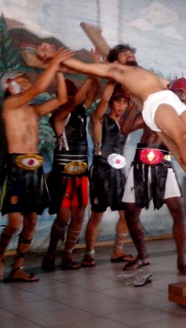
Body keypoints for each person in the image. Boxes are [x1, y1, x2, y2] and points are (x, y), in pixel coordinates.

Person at [36, 43, 186, 198]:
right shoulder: (116, 70)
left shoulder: (146, 72)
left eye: (130, 52)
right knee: (182, 138)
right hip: (156, 104)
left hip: (171, 99)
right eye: (124, 53)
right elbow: (84, 68)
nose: (129, 55)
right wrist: (54, 55)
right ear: (115, 60)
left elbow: (169, 85)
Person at [0, 47, 74, 283]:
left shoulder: (32, 110)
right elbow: (39, 88)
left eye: (26, 79)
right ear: (10, 86)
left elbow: (61, 99)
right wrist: (54, 62)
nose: (26, 82)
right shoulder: (10, 106)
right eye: (21, 80)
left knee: (32, 220)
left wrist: (59, 72)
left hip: (34, 169)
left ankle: (18, 268)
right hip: (15, 167)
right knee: (15, 222)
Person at [119, 76, 186, 276]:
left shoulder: (182, 116)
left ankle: (181, 261)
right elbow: (125, 128)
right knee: (130, 211)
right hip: (141, 165)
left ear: (184, 98)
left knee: (178, 210)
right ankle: (142, 256)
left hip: (163, 164)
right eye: (173, 94)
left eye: (179, 96)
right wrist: (136, 106)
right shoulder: (151, 111)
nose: (175, 98)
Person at [41, 68, 100, 270]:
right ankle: (50, 253)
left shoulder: (81, 113)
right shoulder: (57, 116)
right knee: (64, 217)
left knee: (79, 216)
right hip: (63, 175)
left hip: (81, 174)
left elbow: (92, 93)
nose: (72, 98)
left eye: (72, 93)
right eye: (66, 94)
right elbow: (76, 102)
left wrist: (95, 70)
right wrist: (90, 75)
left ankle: (67, 255)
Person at [82, 82, 135, 267]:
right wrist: (112, 78)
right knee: (97, 215)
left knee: (127, 214)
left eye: (124, 102)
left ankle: (117, 250)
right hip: (102, 171)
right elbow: (103, 100)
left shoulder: (126, 123)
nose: (121, 105)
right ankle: (89, 253)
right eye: (117, 101)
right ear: (111, 103)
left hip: (119, 173)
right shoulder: (100, 120)